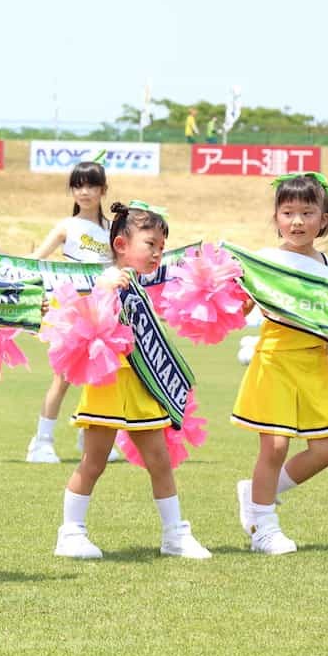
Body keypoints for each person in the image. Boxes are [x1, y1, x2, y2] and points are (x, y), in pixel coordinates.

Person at [54, 201, 211, 561]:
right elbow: (86, 318)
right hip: (109, 381)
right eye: (150, 244)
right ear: (122, 245)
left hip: (143, 385)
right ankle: (71, 532)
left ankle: (175, 534)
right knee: (94, 461)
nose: (157, 252)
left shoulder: (144, 282)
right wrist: (106, 288)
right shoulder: (105, 279)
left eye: (161, 245)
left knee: (159, 460)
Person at [232, 173, 328, 555]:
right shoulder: (265, 261)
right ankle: (263, 528)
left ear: (324, 218)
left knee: (326, 449)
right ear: (277, 218)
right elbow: (240, 306)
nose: (297, 221)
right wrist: (237, 296)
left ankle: (254, 493)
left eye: (307, 212)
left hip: (316, 364)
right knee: (275, 446)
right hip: (275, 359)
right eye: (288, 212)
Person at [20, 160, 123, 465]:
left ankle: (89, 438)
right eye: (78, 184)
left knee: (103, 377)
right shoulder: (67, 227)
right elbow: (35, 261)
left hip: (102, 313)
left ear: (103, 189)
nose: (84, 191)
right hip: (69, 313)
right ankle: (41, 442)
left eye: (91, 185)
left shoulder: (113, 230)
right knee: (62, 378)